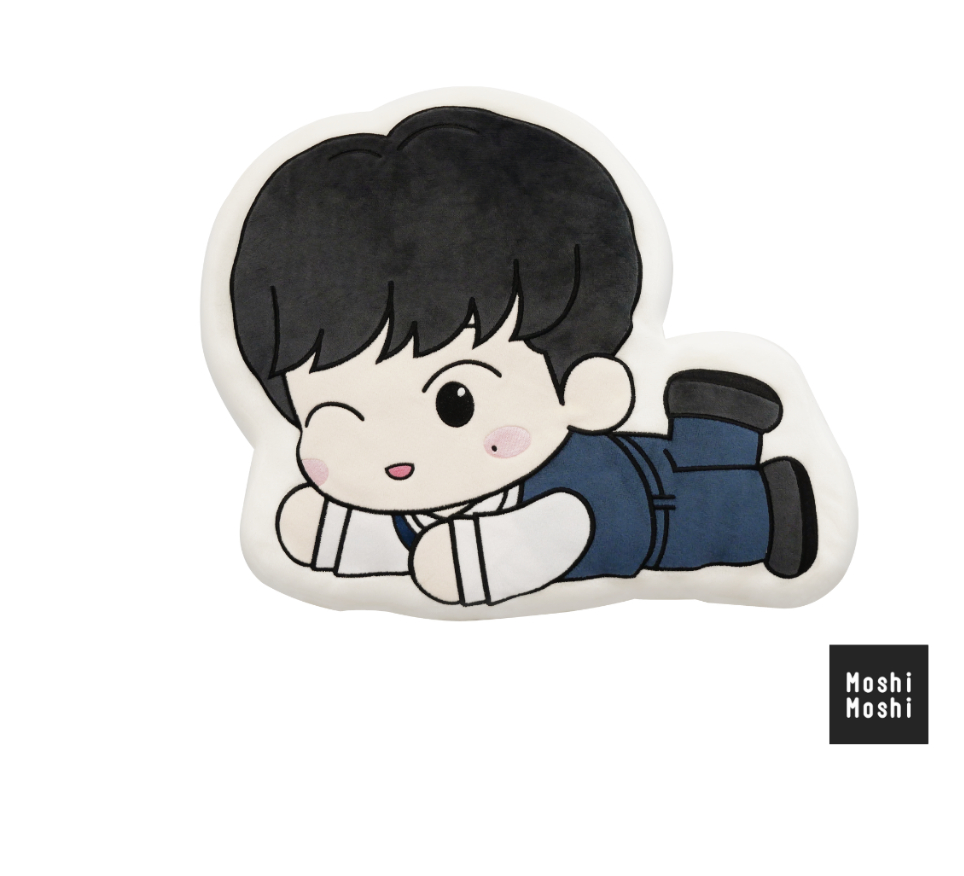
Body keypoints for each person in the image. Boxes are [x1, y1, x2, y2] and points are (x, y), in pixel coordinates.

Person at [230, 106, 816, 605]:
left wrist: (476, 564)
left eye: (456, 402)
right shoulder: (418, 500)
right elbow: (405, 538)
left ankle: (763, 483)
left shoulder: (572, 495)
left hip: (660, 509)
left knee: (714, 504)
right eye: (337, 418)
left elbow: (557, 533)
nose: (398, 452)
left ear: (583, 390)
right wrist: (342, 535)